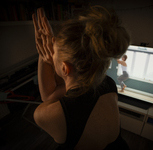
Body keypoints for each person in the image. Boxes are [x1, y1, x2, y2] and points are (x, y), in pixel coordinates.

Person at [32, 6, 130, 150]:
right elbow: (65, 90)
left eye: (53, 53)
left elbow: (48, 97)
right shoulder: (108, 83)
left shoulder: (49, 115)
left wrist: (43, 54)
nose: (51, 54)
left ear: (65, 68)